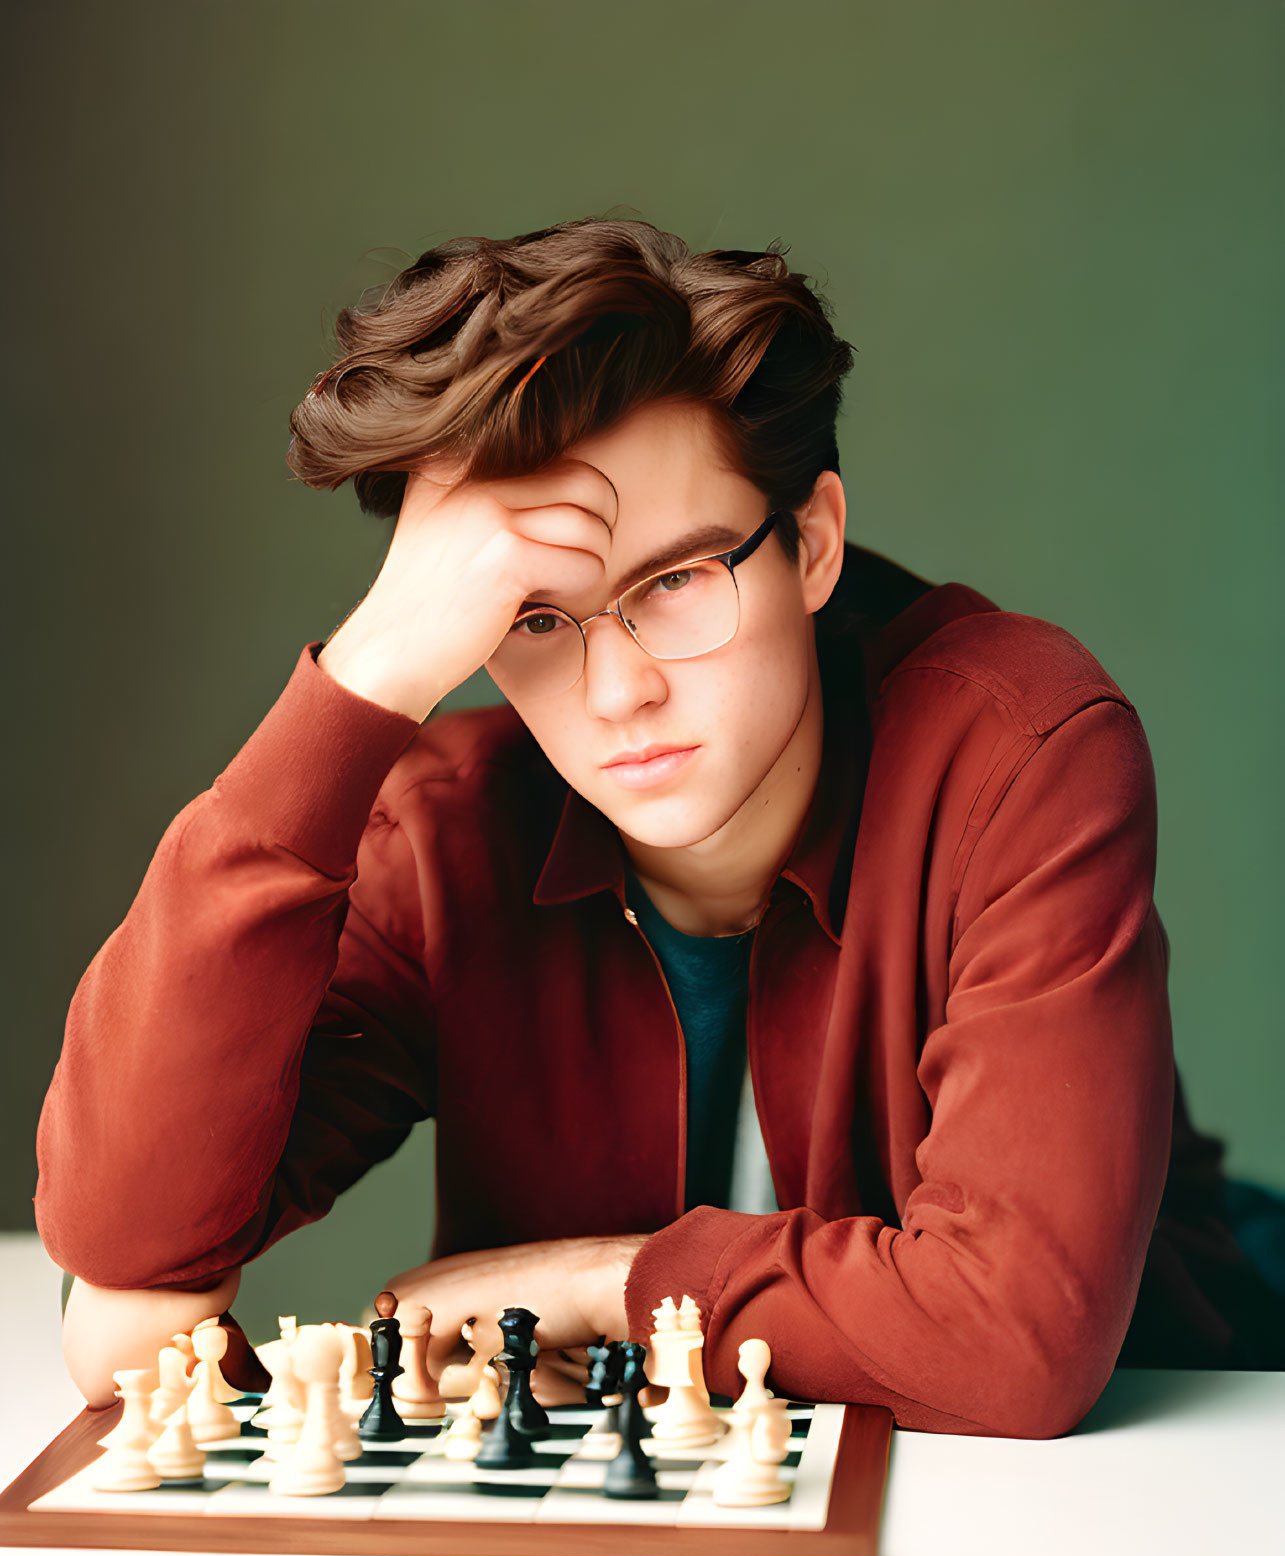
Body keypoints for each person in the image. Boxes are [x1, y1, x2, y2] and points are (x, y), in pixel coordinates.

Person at [36, 216, 1284, 1436]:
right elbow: (125, 1239)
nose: (618, 688)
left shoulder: (1015, 749)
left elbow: (1017, 1343)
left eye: (677, 582)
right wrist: (363, 681)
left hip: (1174, 1466)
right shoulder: (449, 836)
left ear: (810, 543)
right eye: (532, 619)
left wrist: (597, 1288)